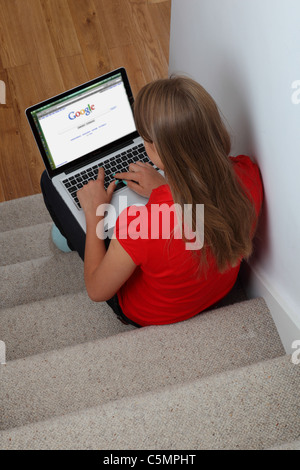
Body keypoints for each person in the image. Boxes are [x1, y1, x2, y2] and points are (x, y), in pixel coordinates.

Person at [41, 75, 263, 327]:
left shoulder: (141, 225)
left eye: (144, 139)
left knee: (48, 181)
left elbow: (97, 290)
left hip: (150, 314)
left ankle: (70, 233)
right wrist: (166, 189)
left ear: (157, 150)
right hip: (218, 291)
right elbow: (201, 214)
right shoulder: (247, 174)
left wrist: (94, 215)